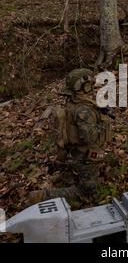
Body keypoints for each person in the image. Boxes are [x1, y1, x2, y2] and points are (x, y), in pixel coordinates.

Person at [29, 69, 113, 204]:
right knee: (87, 192)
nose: (92, 87)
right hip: (86, 156)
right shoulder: (83, 110)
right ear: (85, 86)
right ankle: (42, 196)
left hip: (76, 152)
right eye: (90, 84)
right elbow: (89, 138)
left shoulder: (73, 102)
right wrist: (104, 124)